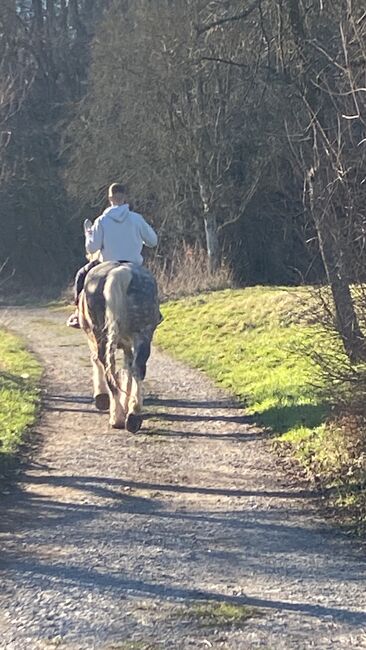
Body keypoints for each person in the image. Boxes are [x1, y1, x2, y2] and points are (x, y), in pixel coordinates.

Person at [67, 182, 158, 328]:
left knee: (81, 275)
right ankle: (155, 312)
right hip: (132, 264)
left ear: (110, 199)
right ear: (125, 198)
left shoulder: (101, 221)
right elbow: (153, 241)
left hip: (106, 265)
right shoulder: (136, 219)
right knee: (150, 282)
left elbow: (91, 248)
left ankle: (78, 313)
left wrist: (88, 234)